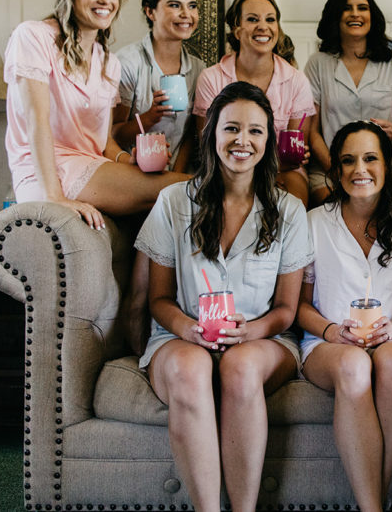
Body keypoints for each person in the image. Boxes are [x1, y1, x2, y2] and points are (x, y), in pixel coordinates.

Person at [138, 81, 312, 512]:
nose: (242, 141)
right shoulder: (173, 201)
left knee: (240, 365)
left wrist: (252, 331)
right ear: (212, 133)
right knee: (190, 369)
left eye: (255, 131)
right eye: (231, 128)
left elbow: (287, 310)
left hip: (263, 339)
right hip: (182, 335)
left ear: (268, 139)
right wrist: (187, 330)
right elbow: (158, 299)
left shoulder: (288, 210)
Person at [297, 121, 392, 511]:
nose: (360, 169)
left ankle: (370, 501)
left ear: (387, 165)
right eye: (348, 160)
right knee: (355, 366)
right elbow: (299, 306)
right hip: (330, 345)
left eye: (370, 158)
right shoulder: (313, 223)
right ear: (337, 171)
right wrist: (330, 331)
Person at [3, 0, 192, 230]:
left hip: (90, 166)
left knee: (183, 201)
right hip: (45, 173)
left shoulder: (107, 61)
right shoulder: (33, 36)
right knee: (196, 188)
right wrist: (54, 197)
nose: (106, 0)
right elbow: (37, 121)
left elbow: (104, 144)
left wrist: (133, 160)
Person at [194, 0, 315, 205]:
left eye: (270, 19)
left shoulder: (297, 81)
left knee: (294, 201)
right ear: (236, 30)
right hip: (225, 166)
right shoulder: (211, 78)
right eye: (252, 19)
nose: (263, 26)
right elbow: (207, 143)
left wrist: (290, 159)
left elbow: (293, 153)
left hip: (281, 171)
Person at [305, 0, 392, 205]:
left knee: (386, 206)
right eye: (347, 8)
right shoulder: (318, 63)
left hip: (391, 165)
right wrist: (336, 168)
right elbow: (312, 132)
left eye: (362, 8)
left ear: (372, 15)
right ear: (336, 15)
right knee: (337, 208)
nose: (355, 14)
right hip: (330, 168)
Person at [113, 0, 206, 173]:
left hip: (180, 173)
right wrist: (148, 118)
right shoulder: (127, 63)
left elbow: (191, 135)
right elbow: (114, 134)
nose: (186, 14)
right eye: (174, 5)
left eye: (192, 6)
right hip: (134, 172)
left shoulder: (200, 69)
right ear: (150, 12)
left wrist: (176, 177)